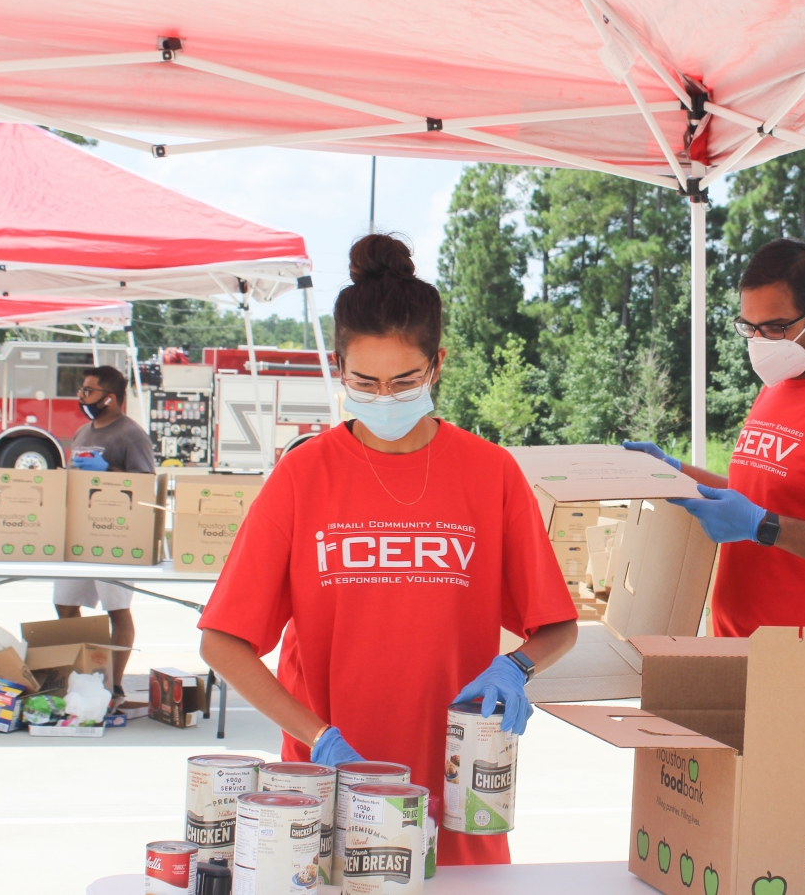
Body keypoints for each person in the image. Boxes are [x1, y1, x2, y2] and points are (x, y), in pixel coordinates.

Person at [198, 234, 579, 866]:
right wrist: (316, 738)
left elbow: (557, 625)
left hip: (458, 788)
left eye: (403, 379)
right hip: (327, 789)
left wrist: (518, 668)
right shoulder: (303, 475)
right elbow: (223, 642)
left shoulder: (490, 473)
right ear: (340, 369)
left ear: (437, 366)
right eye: (363, 380)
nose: (383, 397)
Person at [626, 239, 805, 637]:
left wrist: (764, 527)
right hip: (738, 645)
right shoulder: (777, 386)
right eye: (750, 327)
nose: (760, 341)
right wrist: (676, 474)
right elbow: (761, 498)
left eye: (776, 327)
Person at [53, 364, 156, 702]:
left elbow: (145, 484)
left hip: (116, 537)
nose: (81, 396)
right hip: (79, 534)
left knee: (116, 611)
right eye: (82, 389)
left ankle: (115, 685)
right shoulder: (84, 432)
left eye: (88, 391)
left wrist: (107, 471)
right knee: (65, 605)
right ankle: (82, 678)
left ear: (110, 398)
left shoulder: (131, 434)